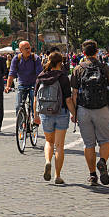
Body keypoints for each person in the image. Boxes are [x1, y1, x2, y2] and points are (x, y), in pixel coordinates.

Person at [71, 40, 109, 186]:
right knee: (106, 141)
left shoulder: (78, 69)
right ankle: (103, 161)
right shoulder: (104, 67)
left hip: (83, 109)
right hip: (102, 109)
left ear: (83, 53)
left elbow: (74, 93)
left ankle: (92, 175)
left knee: (89, 144)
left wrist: (74, 112)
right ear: (97, 51)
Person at [34, 51, 76, 184]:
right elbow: (68, 100)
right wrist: (75, 114)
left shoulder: (41, 76)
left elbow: (35, 98)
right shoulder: (63, 77)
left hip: (45, 113)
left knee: (49, 142)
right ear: (59, 63)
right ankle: (57, 176)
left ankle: (47, 161)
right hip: (61, 112)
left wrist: (35, 115)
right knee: (59, 146)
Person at [6, 41, 43, 116]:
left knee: (34, 104)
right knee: (18, 106)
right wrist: (8, 86)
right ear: (20, 50)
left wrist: (40, 85)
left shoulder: (35, 58)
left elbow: (39, 74)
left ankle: (34, 119)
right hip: (22, 84)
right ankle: (20, 125)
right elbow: (11, 73)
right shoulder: (16, 59)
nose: (28, 50)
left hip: (33, 84)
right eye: (26, 48)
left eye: (29, 48)